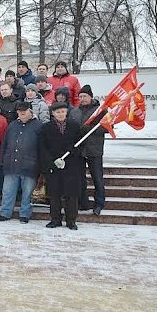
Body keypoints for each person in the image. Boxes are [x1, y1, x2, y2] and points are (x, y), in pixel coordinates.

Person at [40, 101, 83, 230]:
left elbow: (80, 143)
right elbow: (42, 147)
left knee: (71, 195)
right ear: (53, 113)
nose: (60, 114)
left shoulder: (74, 126)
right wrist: (51, 162)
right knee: (54, 194)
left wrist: (75, 151)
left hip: (71, 165)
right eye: (58, 112)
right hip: (54, 165)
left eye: (63, 112)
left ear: (67, 112)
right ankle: (55, 219)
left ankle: (71, 221)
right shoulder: (46, 127)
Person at [0, 102, 43, 223]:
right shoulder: (12, 125)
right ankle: (5, 213)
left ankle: (25, 214)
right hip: (11, 164)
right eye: (19, 111)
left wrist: (40, 165)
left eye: (24, 110)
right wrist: (3, 159)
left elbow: (42, 147)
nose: (22, 113)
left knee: (28, 192)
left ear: (30, 111)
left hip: (30, 165)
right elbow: (4, 144)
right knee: (7, 191)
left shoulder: (39, 126)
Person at [70, 85, 107, 215]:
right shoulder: (74, 111)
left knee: (97, 177)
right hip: (79, 150)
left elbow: (107, 127)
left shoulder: (100, 110)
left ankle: (99, 203)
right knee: (80, 178)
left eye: (85, 96)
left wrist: (91, 130)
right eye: (80, 96)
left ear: (91, 96)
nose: (82, 99)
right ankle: (83, 202)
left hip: (94, 149)